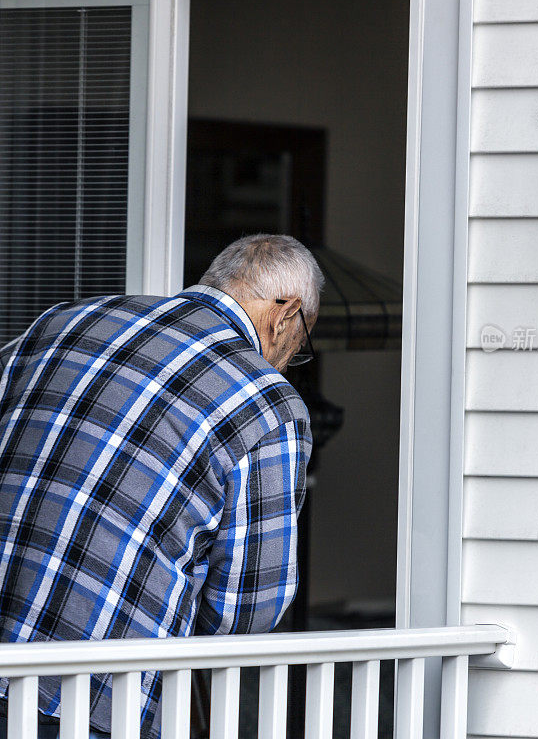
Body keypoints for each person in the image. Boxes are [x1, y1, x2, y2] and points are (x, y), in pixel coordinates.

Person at [0, 234, 323, 739]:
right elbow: (246, 609)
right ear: (286, 314)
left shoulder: (63, 322)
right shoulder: (267, 403)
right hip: (89, 696)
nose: (285, 362)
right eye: (297, 348)